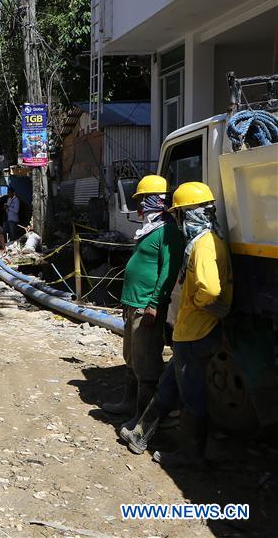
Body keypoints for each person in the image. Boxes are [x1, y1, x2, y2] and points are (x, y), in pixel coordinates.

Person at [121, 182, 233, 468]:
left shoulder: (205, 245)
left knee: (191, 393)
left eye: (182, 214)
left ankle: (191, 455)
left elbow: (208, 290)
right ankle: (140, 434)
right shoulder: (206, 241)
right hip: (191, 331)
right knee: (169, 385)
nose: (180, 220)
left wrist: (196, 302)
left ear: (192, 214)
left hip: (196, 331)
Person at [102, 175, 184, 430]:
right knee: (131, 355)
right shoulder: (149, 229)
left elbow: (168, 272)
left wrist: (154, 304)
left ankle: (147, 417)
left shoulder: (168, 231)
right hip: (132, 302)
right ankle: (130, 403)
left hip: (146, 305)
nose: (138, 207)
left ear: (155, 201)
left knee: (146, 361)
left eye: (141, 200)